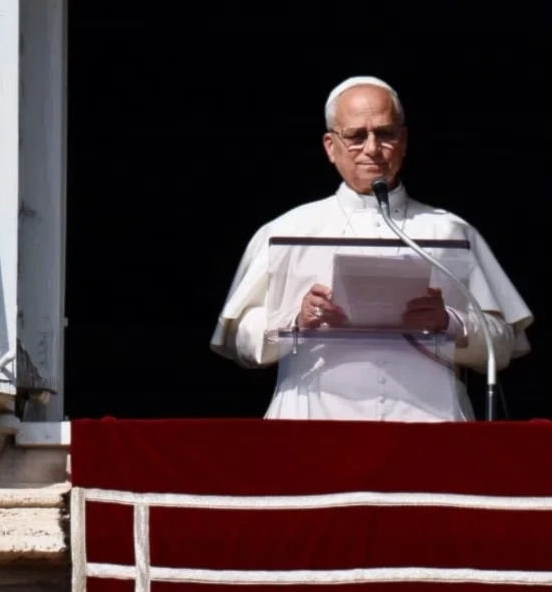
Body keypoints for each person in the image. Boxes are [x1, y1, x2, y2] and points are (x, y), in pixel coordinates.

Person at [211, 76, 533, 422]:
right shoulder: (286, 231)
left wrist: (450, 322)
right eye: (355, 137)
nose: (372, 148)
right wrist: (295, 320)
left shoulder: (451, 231)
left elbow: (502, 346)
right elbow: (239, 342)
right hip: (312, 424)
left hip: (431, 428)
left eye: (385, 133)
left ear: (404, 140)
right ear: (330, 146)